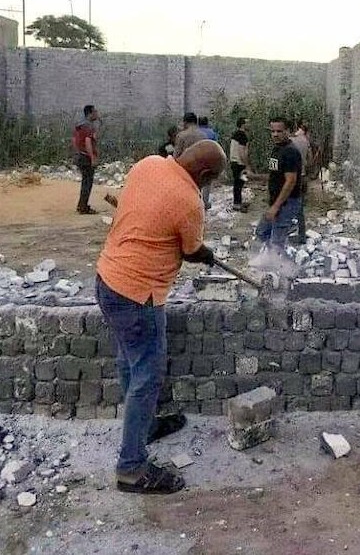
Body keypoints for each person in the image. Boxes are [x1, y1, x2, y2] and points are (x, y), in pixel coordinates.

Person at [95, 140, 227, 495]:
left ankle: (146, 427)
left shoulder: (148, 164)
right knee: (147, 377)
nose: (208, 185)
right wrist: (205, 253)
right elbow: (191, 250)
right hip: (138, 296)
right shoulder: (189, 201)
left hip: (107, 280)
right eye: (211, 179)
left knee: (129, 362)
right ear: (204, 174)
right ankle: (131, 469)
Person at [255, 117, 302, 251]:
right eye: (273, 131)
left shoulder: (290, 151)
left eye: (279, 131)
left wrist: (276, 206)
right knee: (262, 232)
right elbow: (275, 175)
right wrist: (255, 177)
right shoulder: (277, 149)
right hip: (277, 201)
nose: (275, 134)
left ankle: (277, 262)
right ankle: (267, 257)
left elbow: (290, 181)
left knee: (277, 240)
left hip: (287, 202)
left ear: (288, 131)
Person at [72, 104, 99, 214]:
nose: (97, 114)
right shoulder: (89, 127)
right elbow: (88, 142)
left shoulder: (79, 126)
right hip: (86, 157)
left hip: (80, 155)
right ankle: (83, 207)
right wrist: (92, 157)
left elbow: (74, 140)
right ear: (90, 113)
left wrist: (77, 152)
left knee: (85, 182)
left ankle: (81, 205)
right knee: (88, 183)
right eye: (95, 112)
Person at [290, 123, 311, 244]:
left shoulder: (290, 141)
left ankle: (284, 233)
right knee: (299, 207)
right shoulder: (305, 141)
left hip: (289, 176)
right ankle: (301, 235)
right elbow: (309, 160)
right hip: (302, 176)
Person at [197, 116, 219, 210]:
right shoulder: (212, 133)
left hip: (197, 160)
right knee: (207, 181)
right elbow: (216, 146)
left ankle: (197, 201)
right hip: (209, 160)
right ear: (207, 123)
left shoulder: (196, 133)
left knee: (197, 181)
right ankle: (205, 202)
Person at [229, 117, 250, 212]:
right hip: (239, 163)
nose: (249, 124)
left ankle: (238, 202)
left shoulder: (236, 134)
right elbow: (242, 152)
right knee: (239, 183)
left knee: (239, 183)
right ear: (242, 124)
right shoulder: (242, 135)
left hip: (235, 162)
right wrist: (247, 165)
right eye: (247, 123)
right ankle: (237, 204)